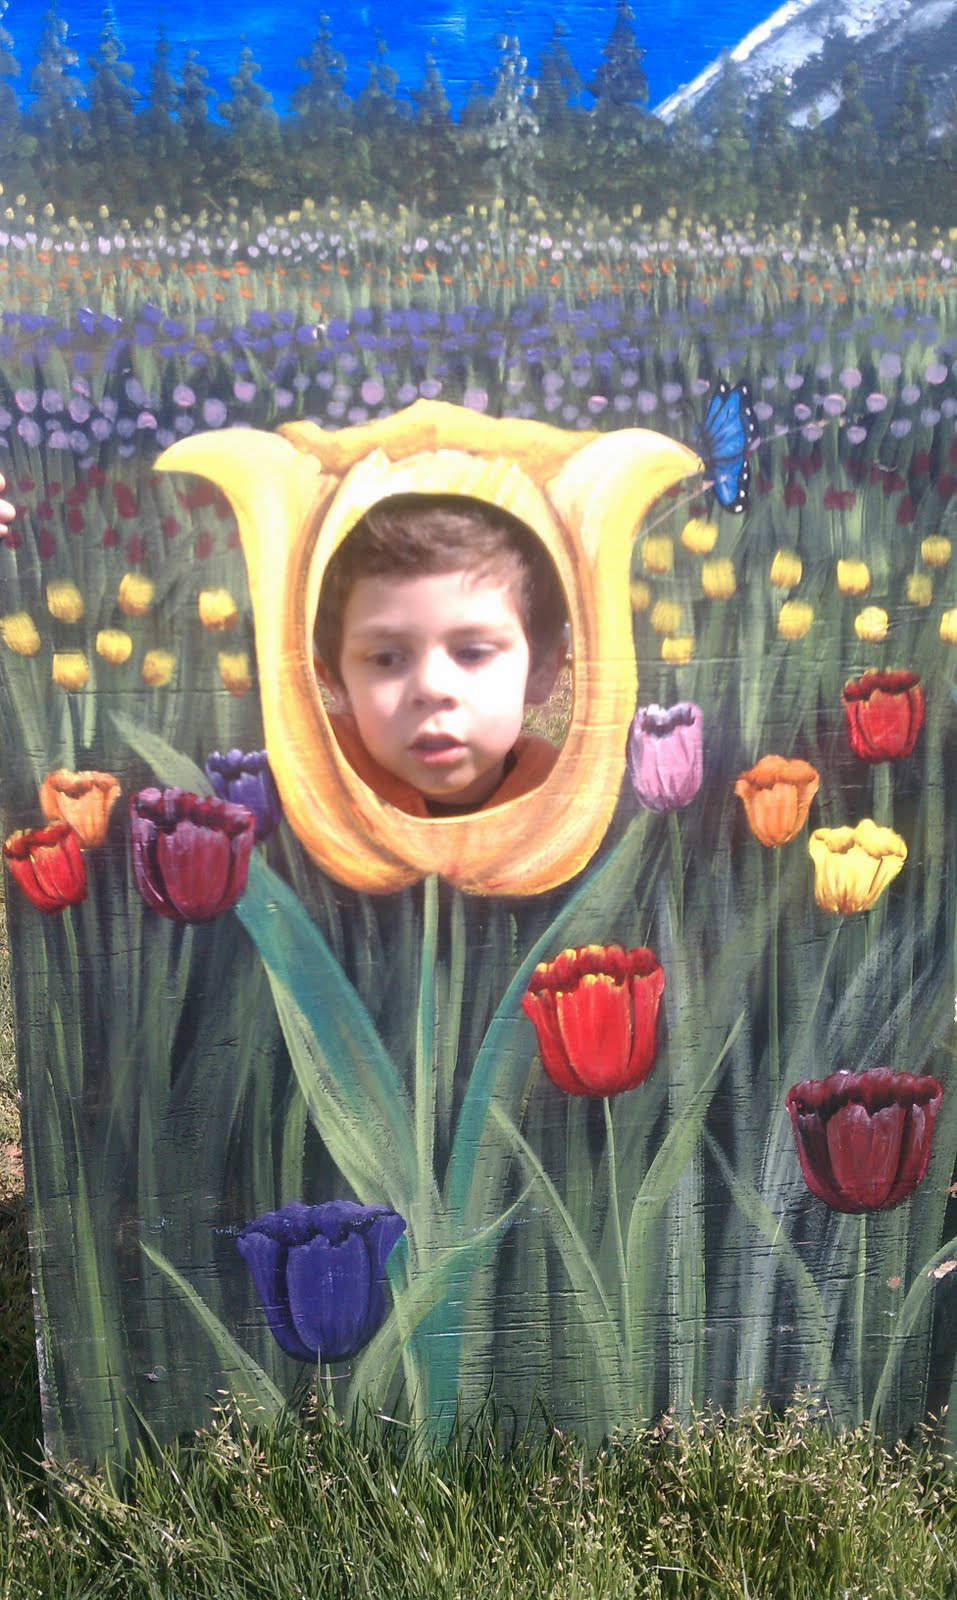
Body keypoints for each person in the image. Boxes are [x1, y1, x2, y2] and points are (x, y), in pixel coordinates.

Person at [314, 494, 567, 817]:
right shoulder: (298, 785)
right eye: (386, 659)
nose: (431, 687)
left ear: (542, 671)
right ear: (337, 684)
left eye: (472, 653)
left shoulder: (573, 799)